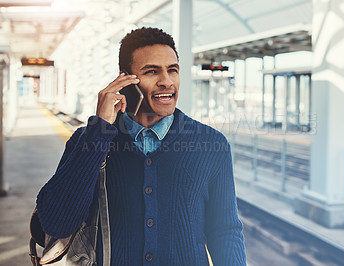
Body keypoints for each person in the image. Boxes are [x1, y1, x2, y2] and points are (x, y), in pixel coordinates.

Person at [36, 27, 246, 265]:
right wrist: (99, 131)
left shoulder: (211, 144)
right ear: (125, 80)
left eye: (173, 70)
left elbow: (225, 231)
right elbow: (56, 223)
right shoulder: (87, 140)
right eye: (152, 72)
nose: (166, 82)